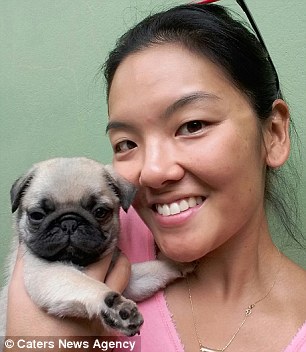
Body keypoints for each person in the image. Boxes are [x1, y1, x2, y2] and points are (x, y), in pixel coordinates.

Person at [4, 1, 306, 351]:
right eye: (126, 143)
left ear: (273, 134)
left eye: (192, 125)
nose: (154, 171)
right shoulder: (117, 219)